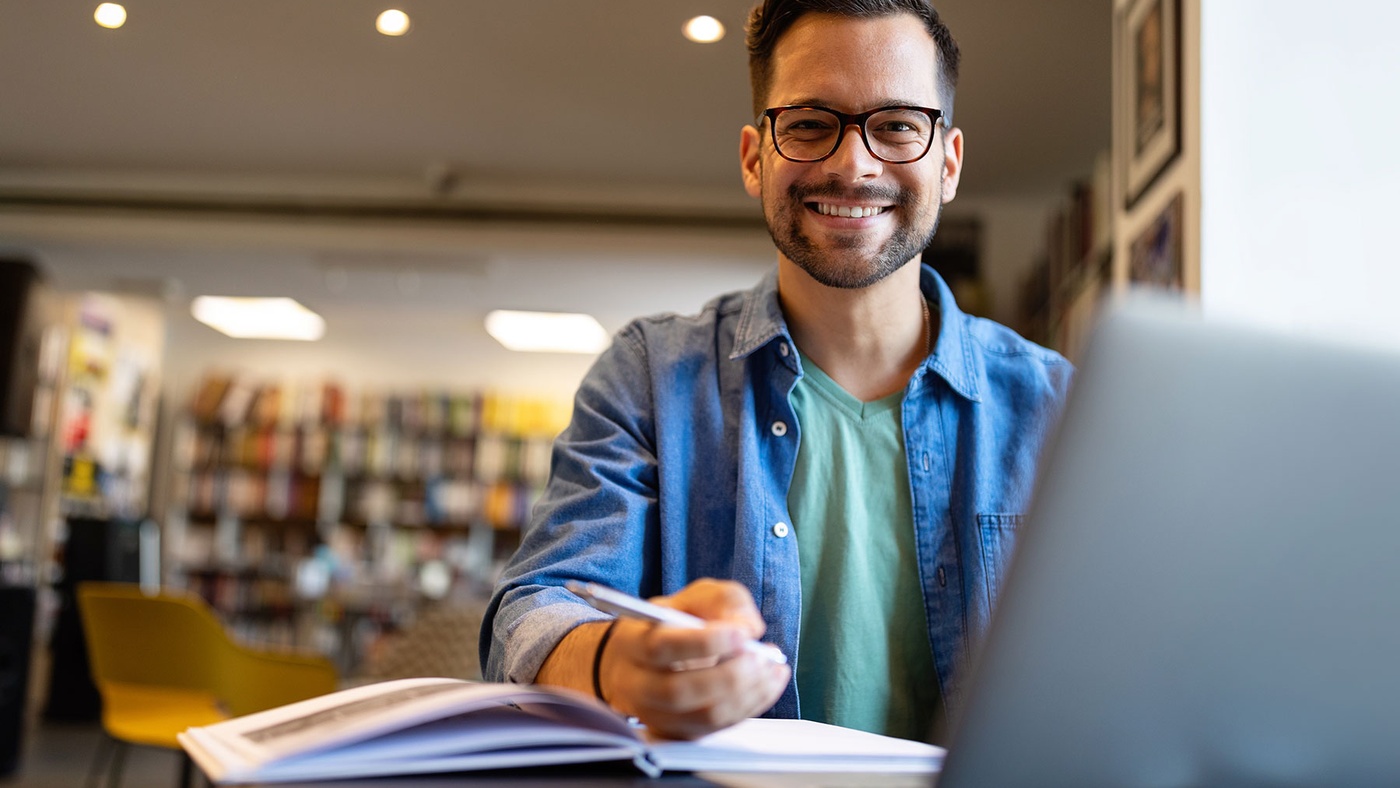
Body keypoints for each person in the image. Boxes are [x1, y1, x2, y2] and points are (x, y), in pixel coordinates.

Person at [480, 0, 1072, 743]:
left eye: (895, 126)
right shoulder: (649, 379)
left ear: (947, 163)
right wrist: (614, 662)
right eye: (808, 123)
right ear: (755, 158)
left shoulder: (1063, 410)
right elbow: (535, 609)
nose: (852, 164)